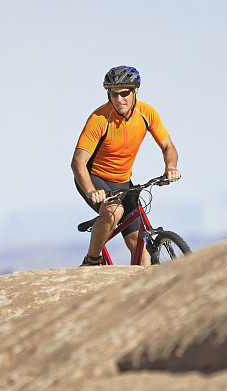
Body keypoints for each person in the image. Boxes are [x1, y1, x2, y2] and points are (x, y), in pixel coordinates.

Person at [71, 65, 181, 267]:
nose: (119, 99)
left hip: (123, 182)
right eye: (113, 94)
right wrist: (91, 191)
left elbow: (168, 146)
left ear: (135, 91)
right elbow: (78, 161)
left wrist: (171, 167)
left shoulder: (146, 113)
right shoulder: (99, 119)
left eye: (124, 93)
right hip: (94, 177)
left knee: (140, 247)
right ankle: (92, 259)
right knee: (114, 211)